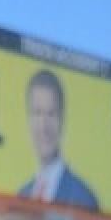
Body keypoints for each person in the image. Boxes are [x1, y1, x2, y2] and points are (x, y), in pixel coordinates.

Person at [17, 70, 99, 212]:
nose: (44, 126)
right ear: (28, 119)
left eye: (51, 114)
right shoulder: (22, 194)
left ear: (62, 119)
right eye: (37, 113)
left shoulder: (83, 198)